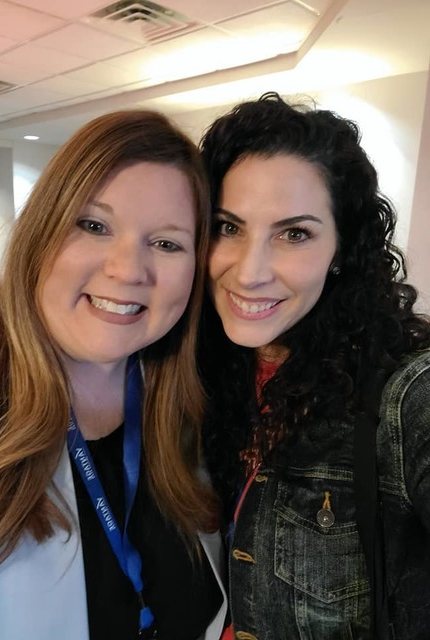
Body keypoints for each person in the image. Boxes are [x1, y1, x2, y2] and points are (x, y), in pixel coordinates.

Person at [0, 109, 227, 640]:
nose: (128, 270)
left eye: (167, 243)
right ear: (41, 231)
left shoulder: (189, 402)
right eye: (94, 226)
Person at [198, 91, 430, 640]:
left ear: (342, 250)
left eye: (294, 234)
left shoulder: (403, 394)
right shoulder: (192, 375)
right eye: (229, 227)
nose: (250, 272)